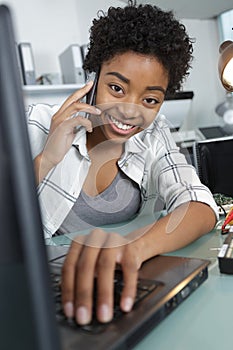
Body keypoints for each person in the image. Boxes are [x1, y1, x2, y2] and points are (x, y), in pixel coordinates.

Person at [28, 1, 218, 326]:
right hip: (39, 288)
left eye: (150, 100)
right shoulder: (37, 123)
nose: (131, 112)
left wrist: (134, 248)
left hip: (117, 280)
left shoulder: (154, 135)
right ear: (94, 76)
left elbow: (199, 204)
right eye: (117, 88)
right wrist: (47, 159)